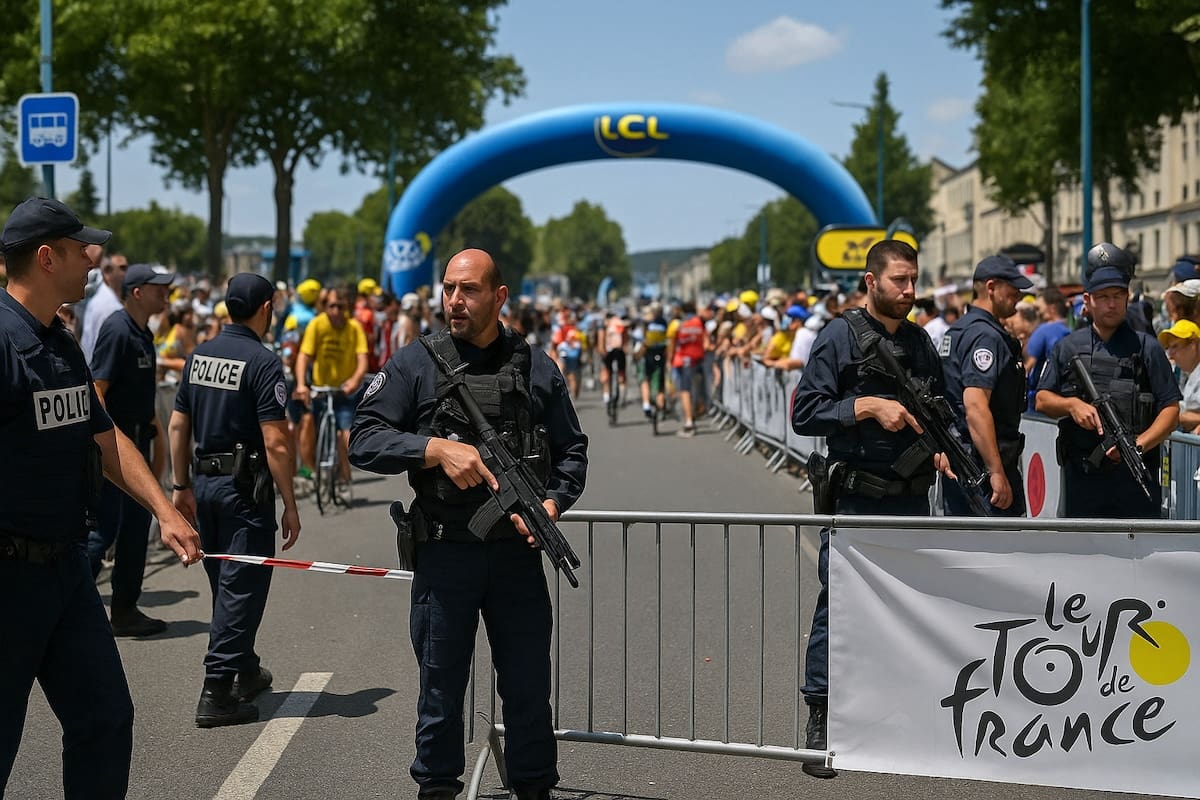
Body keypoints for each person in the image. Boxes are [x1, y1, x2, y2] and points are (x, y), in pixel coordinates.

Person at [348, 249, 588, 800]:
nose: (455, 301)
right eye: (449, 289)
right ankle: (436, 788)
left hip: (515, 558)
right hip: (444, 553)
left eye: (469, 290)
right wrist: (433, 449)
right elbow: (364, 439)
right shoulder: (416, 363)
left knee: (528, 688)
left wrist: (552, 504)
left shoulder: (534, 366)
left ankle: (533, 787)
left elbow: (571, 450)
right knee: (440, 689)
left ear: (499, 297)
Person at [0, 197, 201, 797]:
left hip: (66, 572)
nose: (94, 259)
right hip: (9, 581)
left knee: (105, 720)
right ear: (44, 256)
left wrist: (163, 509)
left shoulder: (59, 342)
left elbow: (104, 433)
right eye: (80, 248)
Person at [791, 240, 952, 779]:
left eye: (913, 281)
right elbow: (805, 412)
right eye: (899, 281)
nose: (908, 291)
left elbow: (940, 409)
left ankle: (897, 717)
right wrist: (865, 405)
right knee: (838, 608)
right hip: (858, 499)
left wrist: (945, 451)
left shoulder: (920, 342)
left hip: (911, 500)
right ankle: (822, 718)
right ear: (870, 281)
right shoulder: (838, 336)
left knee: (910, 607)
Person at [168, 273, 301, 727]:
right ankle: (218, 690)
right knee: (242, 586)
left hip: (204, 486)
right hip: (245, 492)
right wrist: (290, 502)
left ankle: (244, 666)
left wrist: (180, 485)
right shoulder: (263, 363)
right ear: (266, 308)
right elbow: (276, 443)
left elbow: (177, 426)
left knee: (226, 584)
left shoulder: (199, 356)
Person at [1036, 243, 1181, 519]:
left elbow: (1171, 410)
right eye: (1103, 297)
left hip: (1136, 481)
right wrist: (1072, 406)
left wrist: (1139, 444)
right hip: (1083, 479)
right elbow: (1042, 399)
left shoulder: (1147, 347)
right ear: (1087, 300)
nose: (1112, 304)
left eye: (1118, 295)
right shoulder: (1068, 347)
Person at [87, 263, 179, 635]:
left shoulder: (143, 333)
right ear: (137, 292)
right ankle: (63, 602)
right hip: (118, 452)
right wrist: (112, 449)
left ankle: (124, 610)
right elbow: (97, 392)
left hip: (140, 443)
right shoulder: (117, 329)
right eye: (159, 288)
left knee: (134, 534)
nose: (166, 294)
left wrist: (156, 440)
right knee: (103, 532)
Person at [940, 255, 1031, 516]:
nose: (1019, 296)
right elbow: (976, 405)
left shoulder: (959, 330)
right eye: (1012, 290)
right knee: (996, 551)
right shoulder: (985, 335)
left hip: (964, 461)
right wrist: (996, 471)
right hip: (981, 466)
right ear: (991, 287)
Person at [294, 286, 368, 504]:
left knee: (344, 435)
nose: (336, 311)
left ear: (347, 308)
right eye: (331, 306)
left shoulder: (354, 328)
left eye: (340, 307)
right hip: (320, 390)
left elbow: (362, 359)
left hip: (344, 391)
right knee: (307, 425)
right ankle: (308, 472)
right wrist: (301, 384)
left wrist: (354, 381)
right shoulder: (317, 325)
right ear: (325, 307)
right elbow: (304, 356)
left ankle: (345, 482)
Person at [1025, 287, 1071, 410]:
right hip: (1061, 398)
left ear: (1052, 308)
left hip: (1037, 400)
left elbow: (1028, 365)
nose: (1037, 312)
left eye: (1038, 308)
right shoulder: (1070, 330)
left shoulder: (1044, 331)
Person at [80, 251, 128, 361]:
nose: (126, 273)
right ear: (107, 272)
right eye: (122, 268)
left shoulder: (107, 299)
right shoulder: (108, 305)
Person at [669, 301, 708, 437]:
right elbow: (706, 341)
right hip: (699, 359)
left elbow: (672, 345)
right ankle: (697, 409)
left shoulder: (679, 324)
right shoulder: (699, 322)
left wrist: (670, 360)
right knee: (697, 389)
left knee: (685, 391)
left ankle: (689, 423)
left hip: (684, 360)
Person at [1158, 319, 1200, 432]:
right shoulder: (1189, 375)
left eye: (1175, 346)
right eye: (1168, 348)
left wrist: (1171, 417)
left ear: (1193, 345)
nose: (1170, 354)